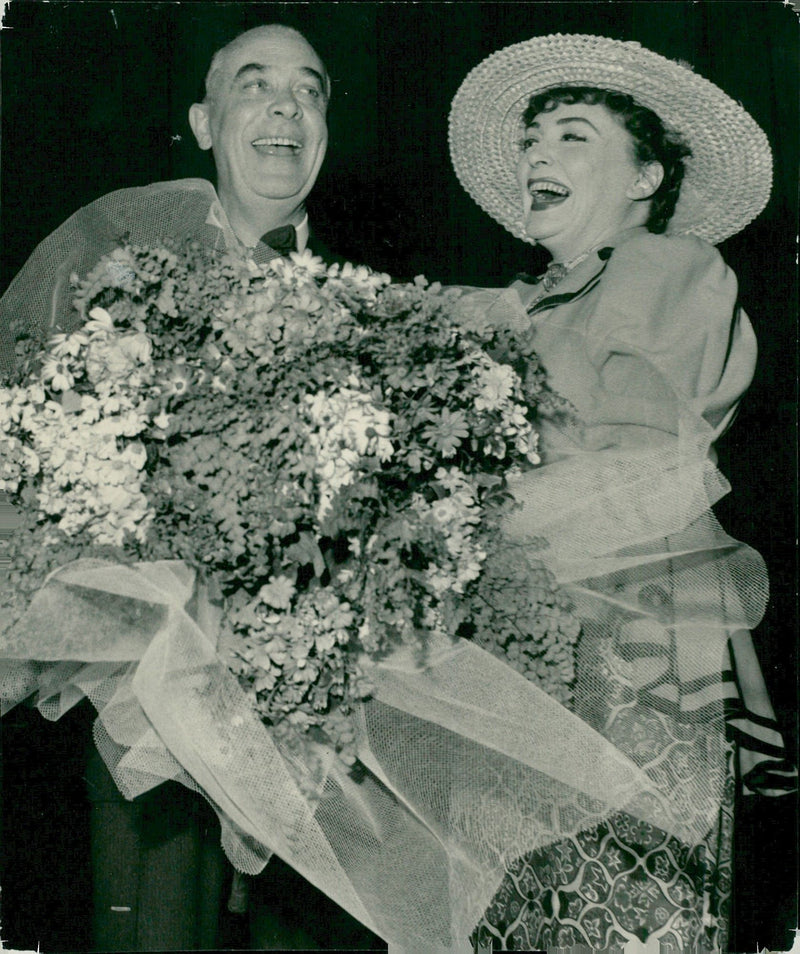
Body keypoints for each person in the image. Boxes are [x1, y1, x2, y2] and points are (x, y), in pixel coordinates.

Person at [0, 22, 378, 952]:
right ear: (206, 123)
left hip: (313, 720)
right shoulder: (119, 241)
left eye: (311, 89)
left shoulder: (366, 306)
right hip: (147, 701)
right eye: (257, 86)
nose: (288, 105)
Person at [447, 33, 796, 952]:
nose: (536, 157)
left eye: (571, 135)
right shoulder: (506, 304)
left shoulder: (660, 267)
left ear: (645, 179)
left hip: (627, 667)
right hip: (510, 667)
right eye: (530, 140)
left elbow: (638, 473)